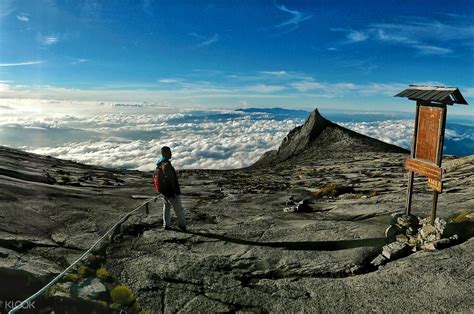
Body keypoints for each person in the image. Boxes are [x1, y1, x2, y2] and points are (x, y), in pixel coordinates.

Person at [155, 146, 186, 231]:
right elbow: (171, 180)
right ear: (164, 153)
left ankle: (166, 224)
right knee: (178, 208)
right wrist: (174, 192)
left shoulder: (160, 164)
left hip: (165, 191)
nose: (171, 154)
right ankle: (182, 225)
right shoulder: (167, 165)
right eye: (169, 152)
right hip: (171, 191)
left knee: (166, 207)